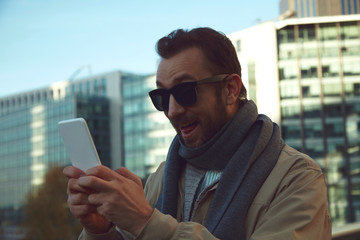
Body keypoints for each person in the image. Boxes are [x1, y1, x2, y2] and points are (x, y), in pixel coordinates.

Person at [63, 27, 332, 240]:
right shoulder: (161, 178)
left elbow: (147, 226)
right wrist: (100, 232)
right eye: (161, 96)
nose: (172, 110)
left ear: (230, 89)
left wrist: (146, 222)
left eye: (184, 92)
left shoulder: (296, 178)